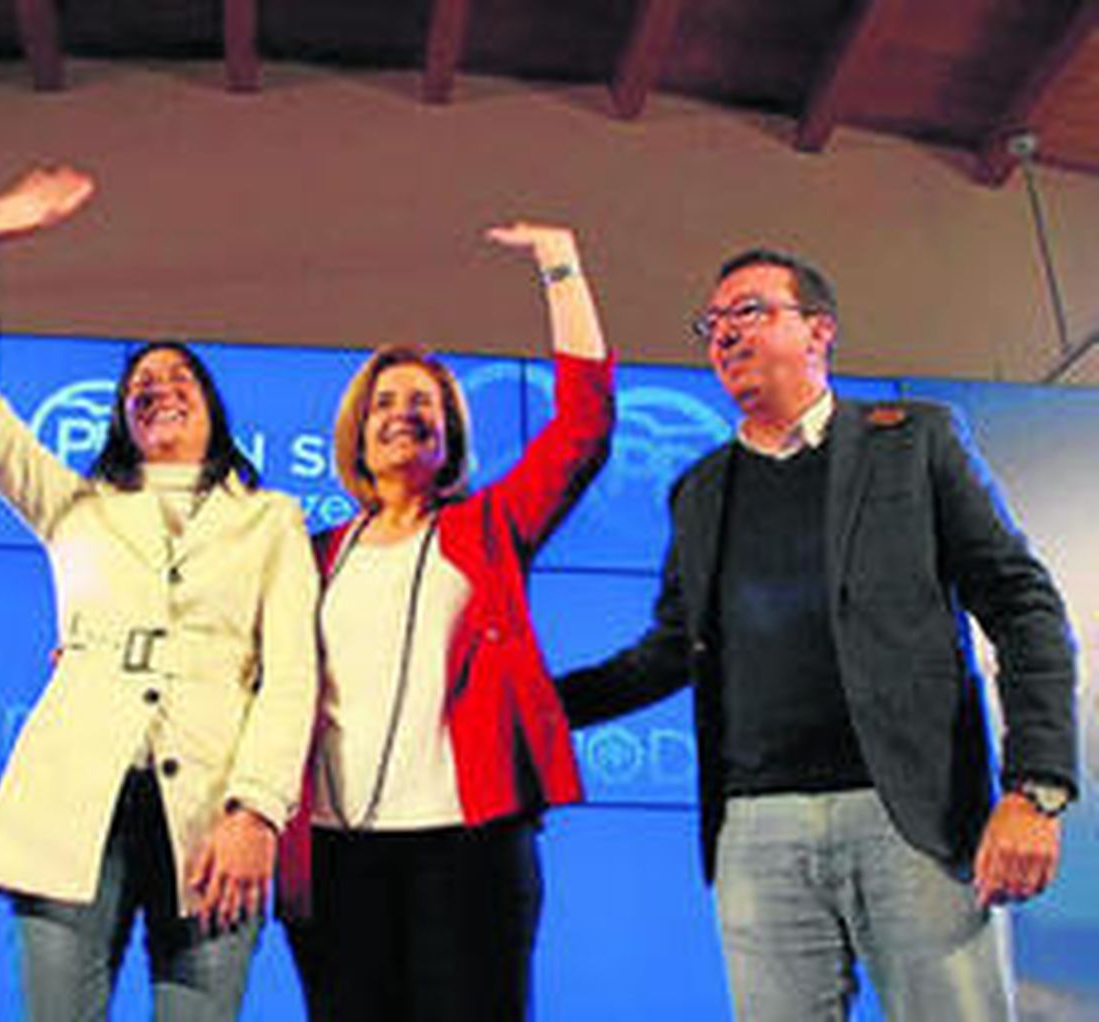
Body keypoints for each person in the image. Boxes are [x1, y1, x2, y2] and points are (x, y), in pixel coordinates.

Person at [555, 249, 1079, 1020]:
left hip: (913, 816)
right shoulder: (698, 491)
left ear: (819, 332)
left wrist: (1035, 790)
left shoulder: (914, 442)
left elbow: (1022, 604)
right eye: (713, 323)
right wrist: (528, 702)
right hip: (756, 829)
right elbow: (669, 651)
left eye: (751, 312)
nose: (725, 334)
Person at [0, 165, 318, 1021]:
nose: (160, 385)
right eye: (141, 382)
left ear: (214, 410)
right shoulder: (75, 503)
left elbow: (292, 675)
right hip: (74, 799)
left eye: (182, 376)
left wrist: (257, 811)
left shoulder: (272, 521)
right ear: (121, 417)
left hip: (215, 809)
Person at [280, 222, 614, 1020]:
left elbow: (583, 427)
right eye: (385, 402)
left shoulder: (488, 527)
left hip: (468, 849)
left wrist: (559, 265)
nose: (403, 413)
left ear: (451, 432)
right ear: (357, 432)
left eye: (423, 403)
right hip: (334, 852)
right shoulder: (308, 554)